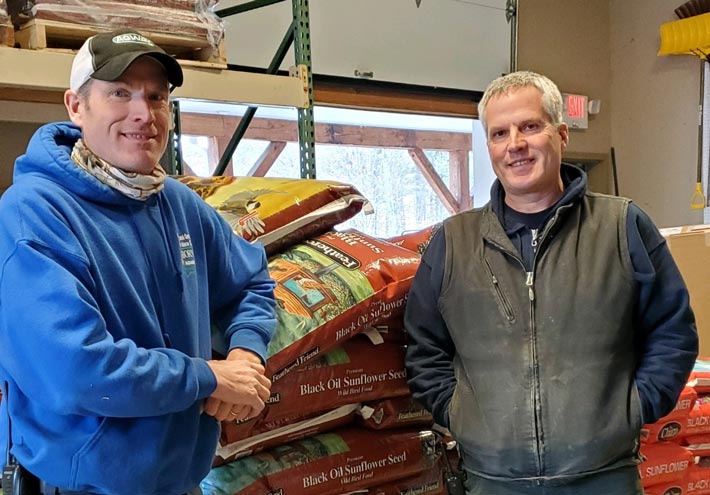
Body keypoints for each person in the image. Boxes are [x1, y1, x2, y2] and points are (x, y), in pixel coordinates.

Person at [0, 29, 277, 495]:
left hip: (181, 482)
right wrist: (208, 377)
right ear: (75, 106)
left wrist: (244, 356)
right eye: (120, 93)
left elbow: (251, 283)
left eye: (156, 96)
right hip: (82, 488)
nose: (143, 114)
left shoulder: (178, 204)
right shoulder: (34, 212)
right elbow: (76, 370)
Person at [404, 71, 699, 495]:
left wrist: (633, 409)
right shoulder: (453, 242)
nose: (515, 145)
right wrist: (459, 413)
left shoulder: (622, 226)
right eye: (499, 133)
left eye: (530, 126)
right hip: (492, 481)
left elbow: (672, 331)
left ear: (561, 134)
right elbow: (423, 348)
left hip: (603, 478)